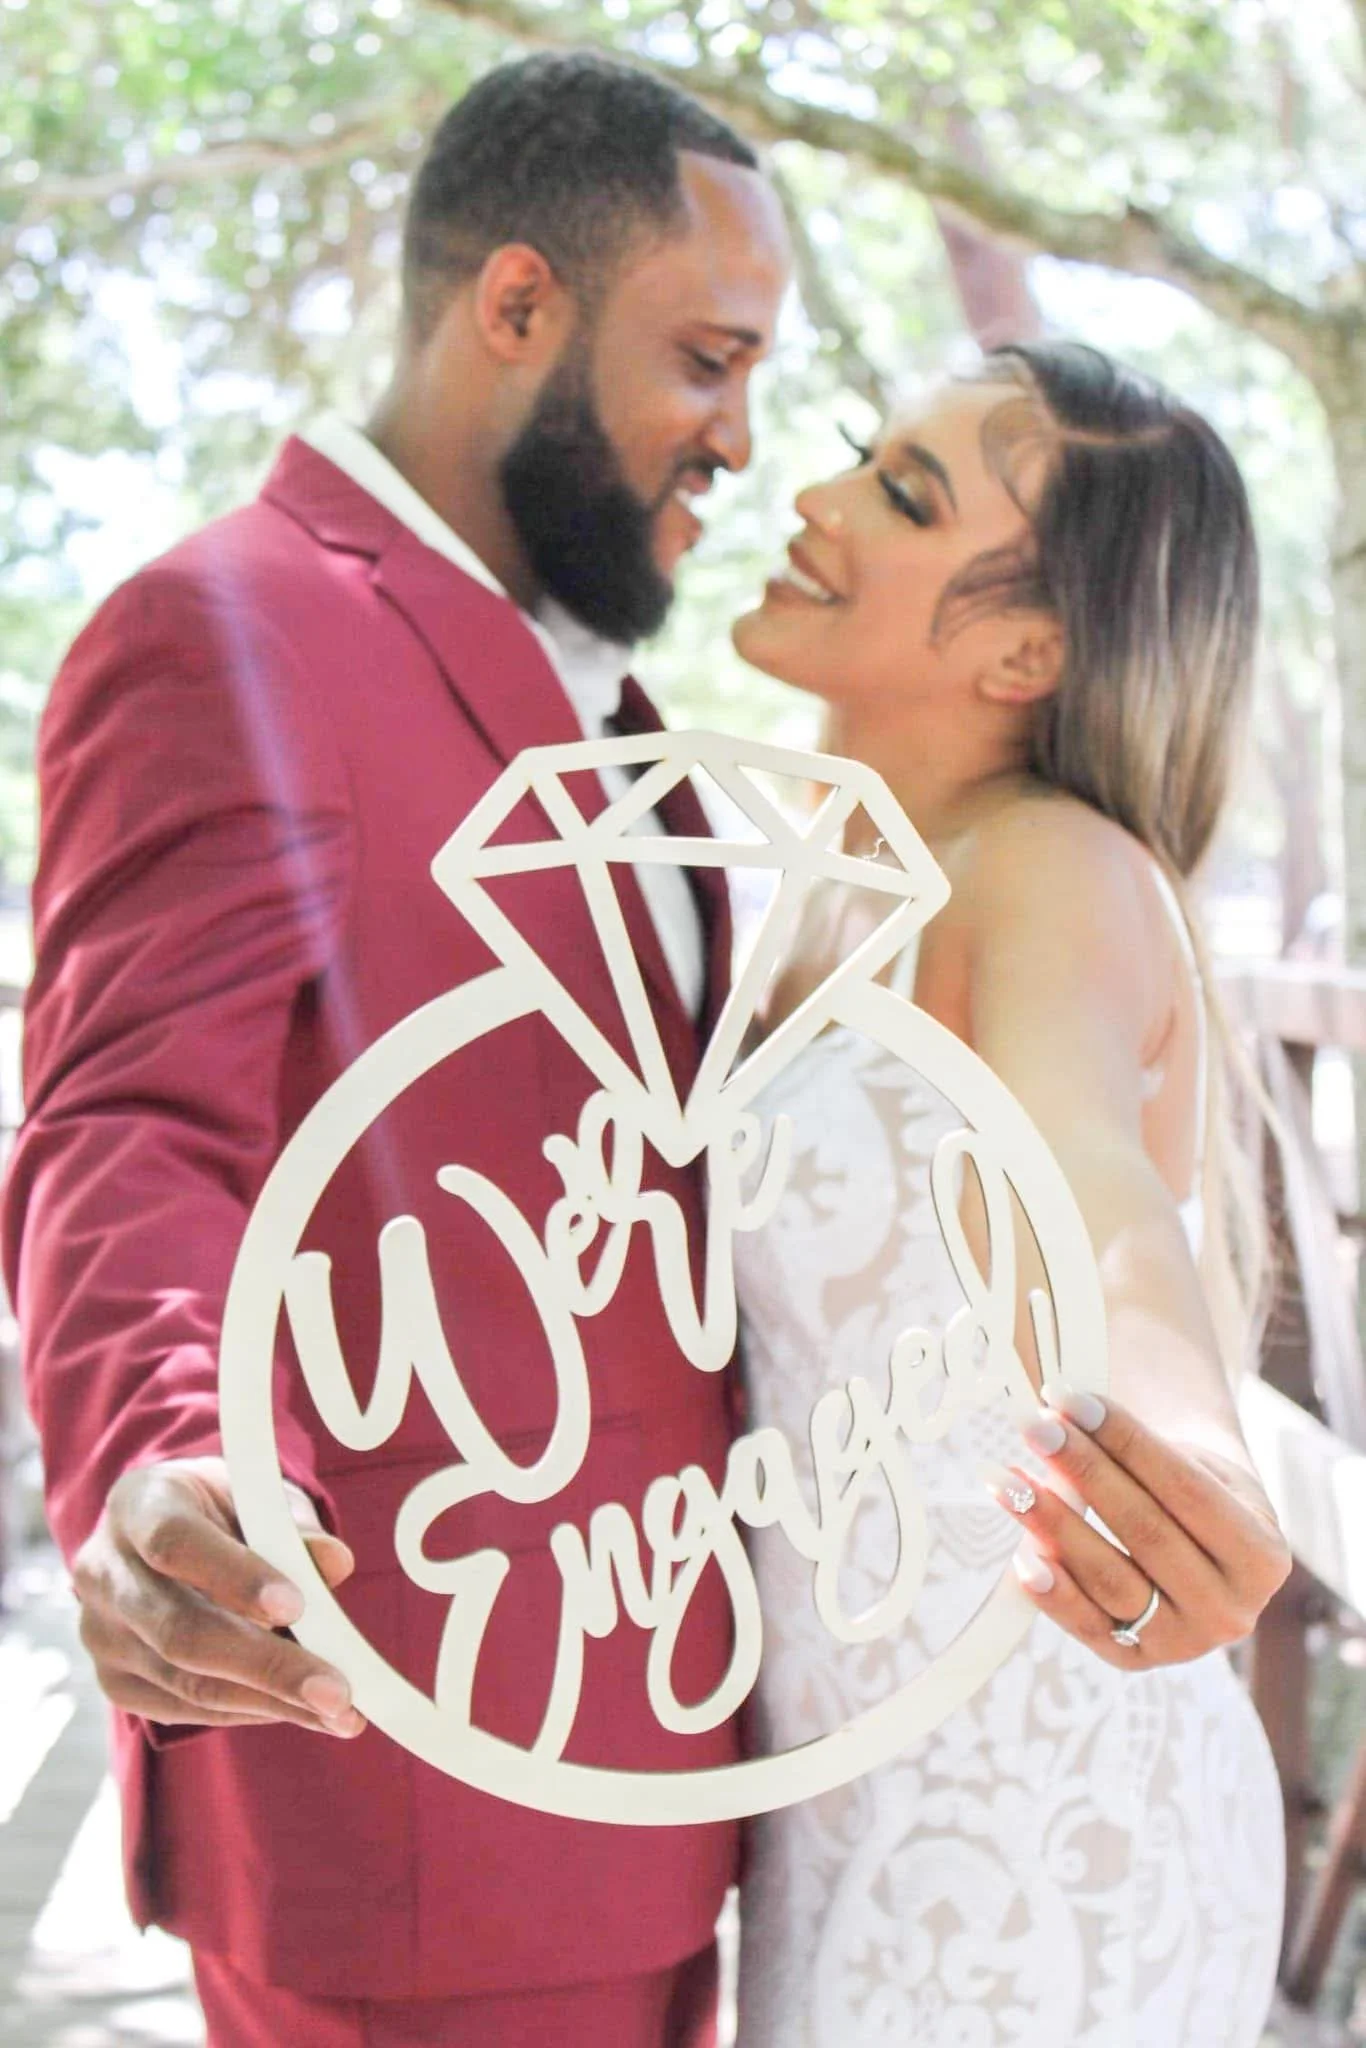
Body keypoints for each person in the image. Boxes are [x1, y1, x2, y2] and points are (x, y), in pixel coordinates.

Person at [3, 53, 789, 2047]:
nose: (738, 439)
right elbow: (123, 1126)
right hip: (410, 1779)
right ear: (515, 305)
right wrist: (168, 1457)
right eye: (704, 359)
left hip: (653, 1765)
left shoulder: (611, 703)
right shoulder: (230, 629)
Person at [729, 341, 1291, 2045]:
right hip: (831, 1810)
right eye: (858, 457)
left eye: (902, 497)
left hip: (1044, 1825)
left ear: (1024, 648)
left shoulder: (1046, 866)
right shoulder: (829, 892)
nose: (815, 501)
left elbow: (1097, 1202)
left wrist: (1186, 1450)